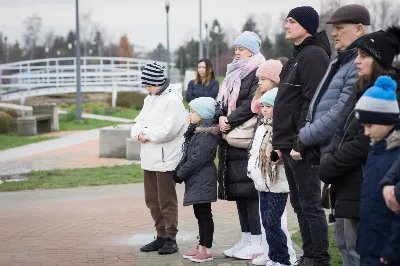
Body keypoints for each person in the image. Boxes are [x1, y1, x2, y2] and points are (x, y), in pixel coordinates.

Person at [320, 25, 400, 266]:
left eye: (364, 56)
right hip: (345, 183)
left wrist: (331, 165)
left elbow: (365, 141)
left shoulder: (389, 96)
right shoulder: (359, 88)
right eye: (357, 55)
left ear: (379, 60)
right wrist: (329, 160)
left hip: (364, 180)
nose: (357, 61)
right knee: (344, 244)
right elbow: (340, 131)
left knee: (359, 251)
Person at [296, 5, 370, 266]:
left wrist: (304, 137)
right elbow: (321, 103)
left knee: (355, 244)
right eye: (333, 29)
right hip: (332, 159)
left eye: (340, 28)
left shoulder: (357, 65)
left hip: (347, 163)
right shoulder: (341, 59)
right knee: (342, 237)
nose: (335, 34)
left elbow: (340, 114)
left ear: (360, 29)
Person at [272, 6, 331, 266]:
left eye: (292, 21)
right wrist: (279, 145)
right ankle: (308, 256)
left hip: (302, 145)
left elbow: (313, 103)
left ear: (306, 25)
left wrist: (300, 141)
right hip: (289, 144)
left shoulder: (314, 55)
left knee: (309, 204)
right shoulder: (298, 54)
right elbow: (287, 103)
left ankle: (319, 259)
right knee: (299, 204)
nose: (286, 26)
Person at [216, 31, 266, 260]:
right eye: (236, 47)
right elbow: (222, 100)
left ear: (253, 50)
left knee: (250, 191)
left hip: (246, 137)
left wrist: (230, 120)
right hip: (231, 138)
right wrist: (220, 117)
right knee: (238, 190)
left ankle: (257, 240)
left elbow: (252, 103)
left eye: (242, 48)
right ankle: (246, 237)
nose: (237, 52)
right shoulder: (231, 72)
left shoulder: (258, 71)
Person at [130, 62, 187, 255]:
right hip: (149, 159)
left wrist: (146, 134)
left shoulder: (173, 100)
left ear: (156, 81)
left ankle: (171, 238)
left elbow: (168, 130)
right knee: (152, 200)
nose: (146, 88)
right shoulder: (150, 99)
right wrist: (140, 133)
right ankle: (160, 235)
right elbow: (137, 123)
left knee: (166, 201)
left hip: (166, 160)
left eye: (148, 84)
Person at [353, 76, 400, 266]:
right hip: (370, 246)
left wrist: (392, 250)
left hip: (387, 251)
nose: (366, 132)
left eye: (369, 125)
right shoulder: (376, 150)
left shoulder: (395, 155)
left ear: (387, 119)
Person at [248, 88, 296, 266]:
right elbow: (254, 152)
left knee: (273, 222)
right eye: (263, 106)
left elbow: (285, 154)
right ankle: (274, 257)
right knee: (266, 223)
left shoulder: (283, 129)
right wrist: (252, 171)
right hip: (262, 182)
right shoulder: (261, 128)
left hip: (278, 182)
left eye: (269, 106)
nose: (265, 109)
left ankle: (284, 259)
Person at [172, 97, 220, 263]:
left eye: (192, 111)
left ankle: (207, 249)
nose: (189, 114)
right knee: (199, 214)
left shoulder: (206, 136)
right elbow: (187, 156)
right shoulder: (197, 131)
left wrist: (179, 174)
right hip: (198, 180)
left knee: (205, 215)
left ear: (203, 114)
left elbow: (196, 160)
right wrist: (178, 170)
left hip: (203, 180)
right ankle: (201, 245)